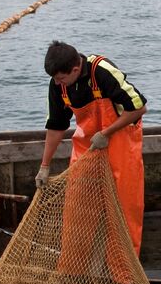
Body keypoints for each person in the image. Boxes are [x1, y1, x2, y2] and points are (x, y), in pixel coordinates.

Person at [38, 41, 147, 254]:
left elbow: (139, 108)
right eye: (54, 78)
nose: (57, 82)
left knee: (125, 208)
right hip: (87, 145)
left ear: (76, 70)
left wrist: (106, 133)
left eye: (61, 78)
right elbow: (56, 126)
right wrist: (44, 165)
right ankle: (73, 272)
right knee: (77, 207)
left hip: (121, 140)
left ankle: (123, 276)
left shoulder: (103, 71)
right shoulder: (57, 84)